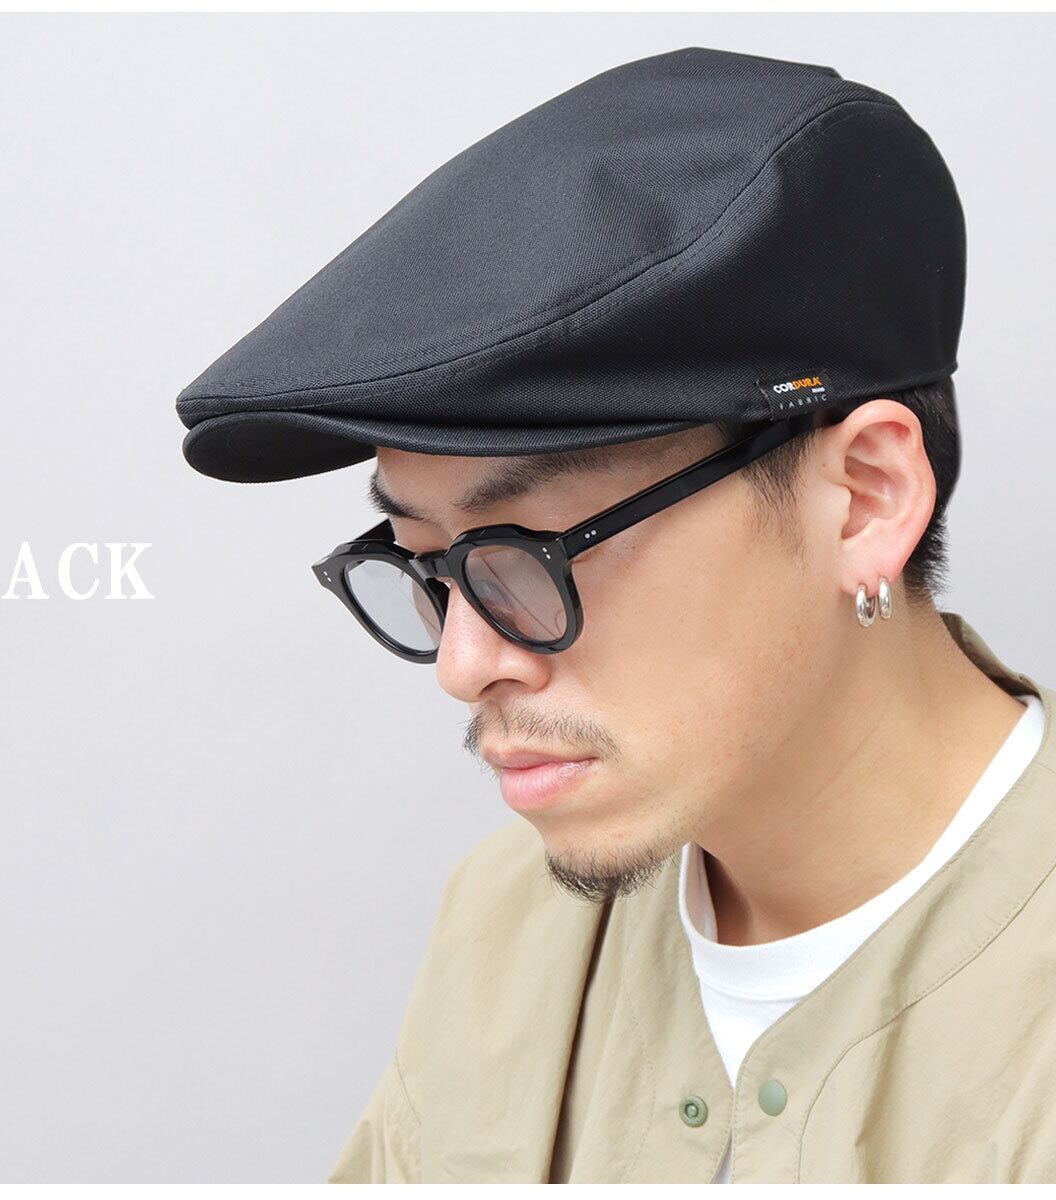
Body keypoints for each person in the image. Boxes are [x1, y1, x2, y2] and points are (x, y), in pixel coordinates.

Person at [174, 47, 1056, 1183]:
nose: (463, 662)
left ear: (863, 499)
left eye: (529, 554)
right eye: (426, 565)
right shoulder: (506, 926)